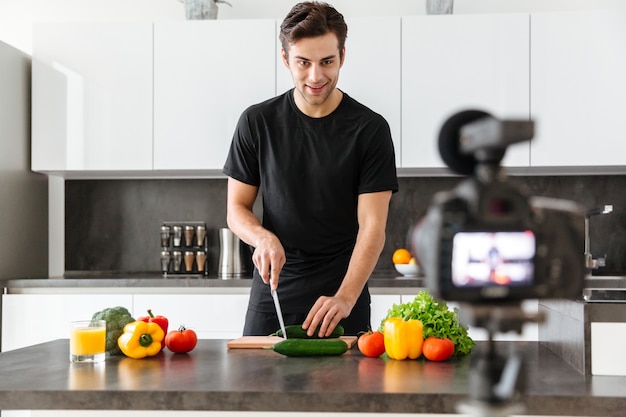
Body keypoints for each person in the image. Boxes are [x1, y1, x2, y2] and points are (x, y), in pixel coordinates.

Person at [222, 1, 398, 337]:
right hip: (273, 292)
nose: (316, 76)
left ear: (342, 56)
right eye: (303, 62)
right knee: (256, 388)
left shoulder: (370, 129)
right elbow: (236, 210)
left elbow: (373, 228)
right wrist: (262, 238)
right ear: (286, 59)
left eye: (327, 61)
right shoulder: (257, 122)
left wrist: (345, 298)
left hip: (343, 293)